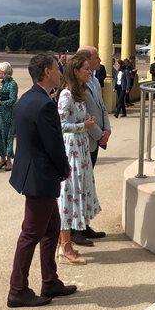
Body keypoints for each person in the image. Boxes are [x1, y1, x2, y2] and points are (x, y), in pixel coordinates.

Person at [7, 53, 75, 308]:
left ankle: (50, 281)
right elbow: (53, 144)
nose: (60, 72)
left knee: (51, 228)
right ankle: (18, 290)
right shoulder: (45, 104)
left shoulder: (27, 99)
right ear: (47, 72)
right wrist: (65, 168)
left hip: (31, 173)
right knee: (31, 234)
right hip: (41, 177)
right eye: (57, 69)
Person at [56, 53, 101, 264]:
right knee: (68, 194)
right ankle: (65, 244)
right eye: (85, 69)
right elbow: (62, 126)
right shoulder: (66, 95)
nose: (89, 71)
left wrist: (86, 123)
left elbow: (74, 120)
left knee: (77, 192)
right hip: (72, 149)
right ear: (75, 71)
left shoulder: (78, 93)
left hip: (80, 148)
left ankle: (64, 242)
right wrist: (84, 125)